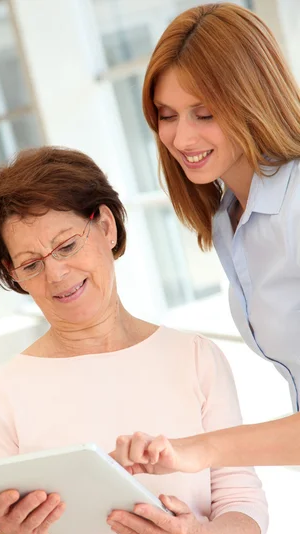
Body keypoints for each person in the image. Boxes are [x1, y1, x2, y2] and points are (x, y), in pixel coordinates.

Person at [0, 146, 268, 534]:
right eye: (31, 265)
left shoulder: (193, 356)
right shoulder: (2, 393)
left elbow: (244, 511)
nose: (57, 275)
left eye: (66, 245)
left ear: (105, 226)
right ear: (15, 275)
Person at [111, 2, 300, 475]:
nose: (181, 137)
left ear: (253, 98)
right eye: (167, 114)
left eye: (204, 113)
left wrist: (201, 450)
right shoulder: (229, 218)